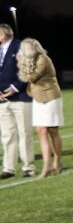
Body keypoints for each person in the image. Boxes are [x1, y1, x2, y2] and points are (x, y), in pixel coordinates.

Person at [16, 39, 63, 178]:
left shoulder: (43, 59)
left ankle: (57, 162)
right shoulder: (32, 60)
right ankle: (47, 166)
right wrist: (23, 61)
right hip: (37, 98)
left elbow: (31, 77)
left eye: (23, 49)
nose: (22, 52)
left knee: (53, 131)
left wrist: (20, 62)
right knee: (41, 131)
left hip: (50, 98)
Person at [0, 23, 36, 178]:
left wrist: (15, 87)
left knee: (25, 133)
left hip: (20, 97)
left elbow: (28, 68)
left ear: (3, 34)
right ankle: (9, 168)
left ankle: (28, 167)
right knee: (7, 135)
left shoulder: (20, 46)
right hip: (2, 99)